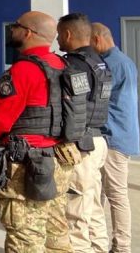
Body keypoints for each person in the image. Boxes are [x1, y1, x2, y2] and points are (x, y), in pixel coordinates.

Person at [0, 11, 78, 253]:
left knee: (25, 240)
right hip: (61, 160)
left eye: (16, 26)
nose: (12, 30)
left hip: (29, 167)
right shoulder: (63, 65)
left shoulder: (23, 71)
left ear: (28, 33)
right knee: (56, 236)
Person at [57, 13, 111, 253]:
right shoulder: (100, 62)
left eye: (59, 34)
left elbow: (72, 108)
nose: (58, 39)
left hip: (80, 145)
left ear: (68, 34)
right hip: (97, 140)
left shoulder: (73, 65)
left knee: (76, 212)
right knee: (93, 206)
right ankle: (99, 248)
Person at [91, 22, 139, 253]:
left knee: (115, 195)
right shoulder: (125, 61)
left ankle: (121, 247)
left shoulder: (110, 65)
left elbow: (96, 101)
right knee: (102, 193)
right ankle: (100, 242)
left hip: (113, 138)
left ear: (97, 40)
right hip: (121, 136)